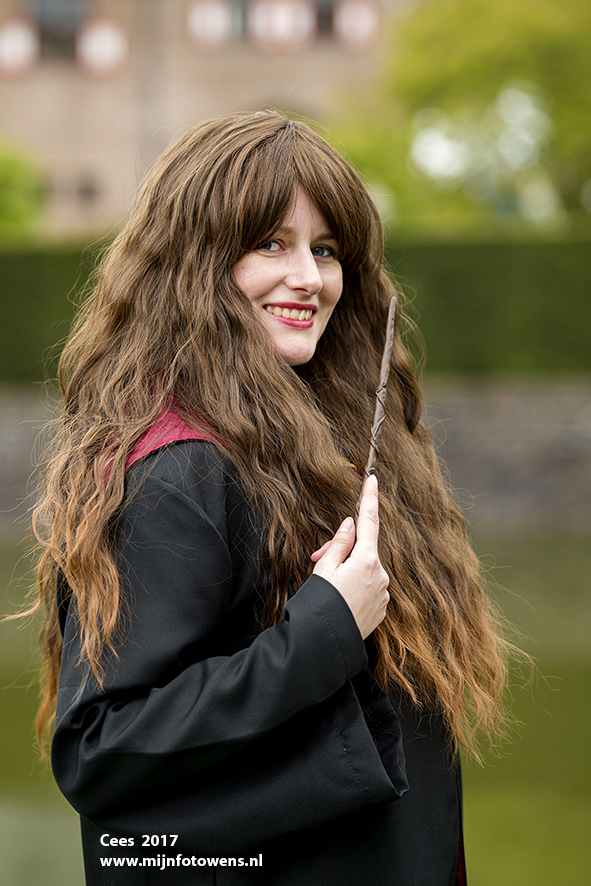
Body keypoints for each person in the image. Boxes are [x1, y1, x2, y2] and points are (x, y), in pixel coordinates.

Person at [33, 111, 510, 885]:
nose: (309, 278)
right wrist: (325, 627)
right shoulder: (178, 469)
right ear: (194, 262)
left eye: (325, 249)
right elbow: (105, 749)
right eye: (270, 243)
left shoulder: (314, 438)